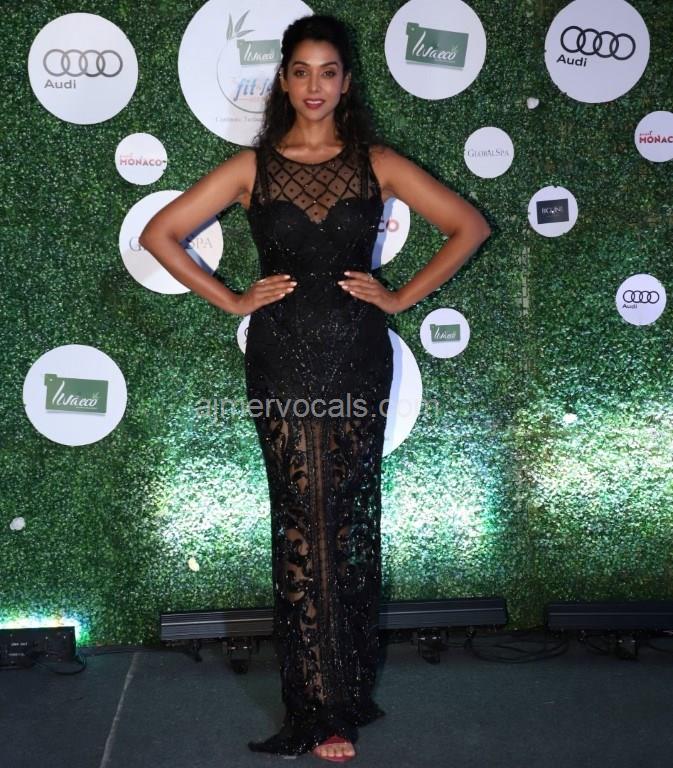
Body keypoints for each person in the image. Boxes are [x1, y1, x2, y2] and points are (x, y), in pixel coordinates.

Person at [139, 13, 490, 762]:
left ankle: (345, 696)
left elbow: (468, 226)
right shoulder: (251, 167)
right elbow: (159, 234)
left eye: (328, 71)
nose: (314, 85)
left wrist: (399, 297)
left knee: (350, 519)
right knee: (300, 520)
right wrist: (233, 299)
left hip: (358, 356)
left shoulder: (376, 163)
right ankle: (314, 705)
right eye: (300, 71)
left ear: (346, 81)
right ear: (283, 80)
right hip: (281, 359)